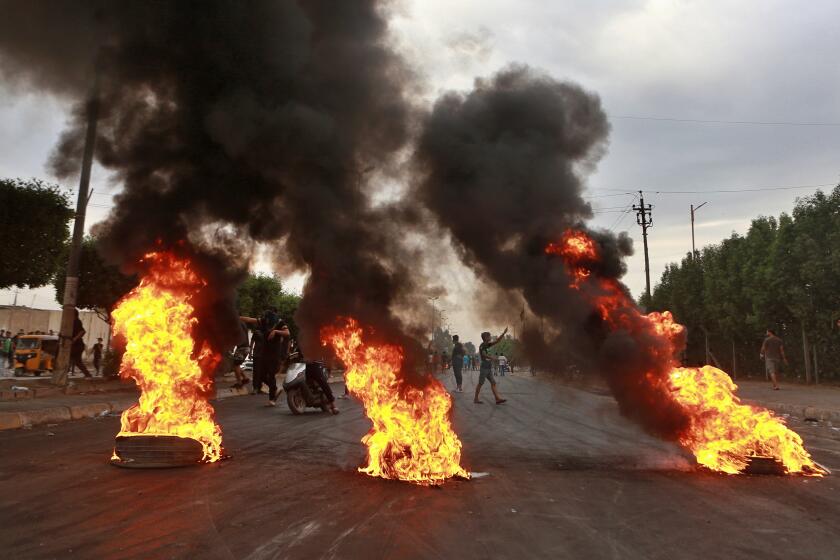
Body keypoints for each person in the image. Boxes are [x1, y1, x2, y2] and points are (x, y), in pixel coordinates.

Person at [241, 309, 290, 406]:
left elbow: (287, 333)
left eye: (267, 320)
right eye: (265, 320)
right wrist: (236, 317)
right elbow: (251, 320)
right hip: (264, 353)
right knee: (261, 375)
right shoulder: (264, 321)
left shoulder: (280, 323)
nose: (266, 322)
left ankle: (272, 399)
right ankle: (275, 389)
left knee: (271, 375)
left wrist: (276, 331)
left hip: (275, 354)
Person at [475, 328, 508, 405]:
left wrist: (503, 333)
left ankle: (497, 399)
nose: (490, 337)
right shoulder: (482, 345)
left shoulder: (488, 344)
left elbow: (497, 341)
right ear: (486, 338)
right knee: (480, 383)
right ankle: (476, 399)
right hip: (484, 368)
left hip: (488, 367)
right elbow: (483, 354)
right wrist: (492, 358)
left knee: (493, 383)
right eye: (489, 336)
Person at [70, 310, 91, 377]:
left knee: (70, 359)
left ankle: (88, 374)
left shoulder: (76, 321)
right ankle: (87, 374)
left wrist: (74, 339)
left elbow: (83, 331)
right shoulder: (72, 322)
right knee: (77, 362)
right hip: (76, 345)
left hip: (77, 345)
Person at [230, 322, 250, 388]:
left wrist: (232, 347)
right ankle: (245, 378)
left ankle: (239, 382)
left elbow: (235, 337)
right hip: (247, 347)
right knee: (236, 365)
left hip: (241, 348)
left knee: (235, 365)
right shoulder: (243, 324)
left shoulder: (236, 324)